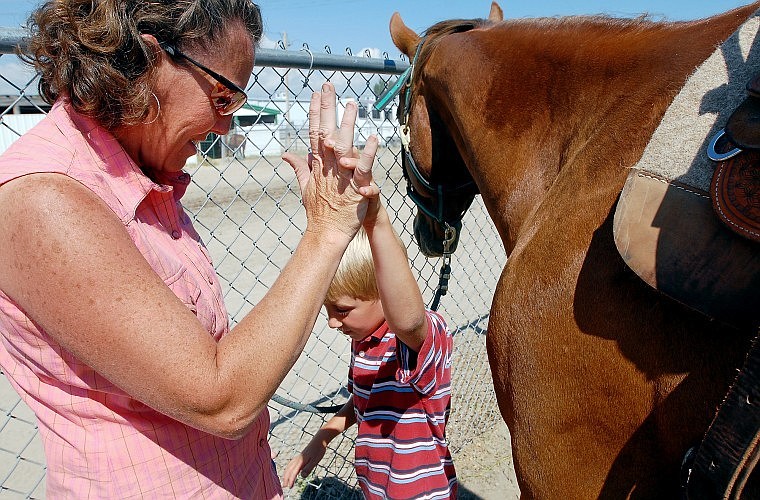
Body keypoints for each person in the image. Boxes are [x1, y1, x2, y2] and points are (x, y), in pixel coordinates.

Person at [0, 1, 379, 497]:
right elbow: (220, 399)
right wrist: (327, 231)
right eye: (222, 98)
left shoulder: (144, 174)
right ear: (149, 57)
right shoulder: (47, 200)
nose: (225, 127)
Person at [282, 198, 457, 498]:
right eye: (327, 309)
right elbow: (363, 399)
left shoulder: (415, 342)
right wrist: (322, 438)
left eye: (342, 309)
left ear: (382, 292)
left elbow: (411, 322)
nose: (332, 322)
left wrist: (377, 221)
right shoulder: (361, 342)